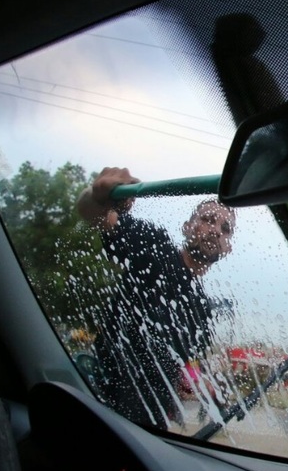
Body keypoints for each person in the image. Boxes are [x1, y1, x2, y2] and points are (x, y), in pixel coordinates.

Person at [77, 167, 237, 429]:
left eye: (226, 228)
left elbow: (182, 368)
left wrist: (202, 385)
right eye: (208, 219)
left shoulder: (201, 309)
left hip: (152, 426)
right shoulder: (155, 247)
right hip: (100, 409)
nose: (216, 230)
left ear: (228, 247)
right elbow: (93, 213)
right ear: (188, 227)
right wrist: (98, 194)